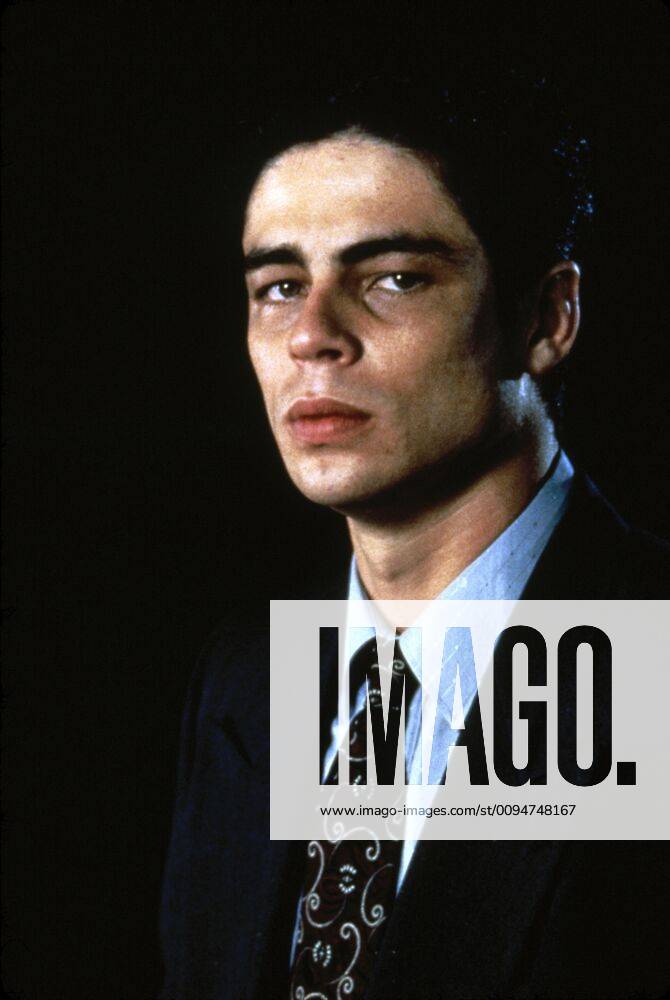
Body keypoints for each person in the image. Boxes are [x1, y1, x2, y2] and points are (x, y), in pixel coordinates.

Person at [160, 76, 670, 999]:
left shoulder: (651, 658)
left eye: (394, 278)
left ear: (546, 317)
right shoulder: (247, 678)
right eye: (280, 287)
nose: (312, 336)